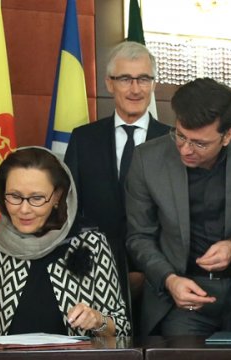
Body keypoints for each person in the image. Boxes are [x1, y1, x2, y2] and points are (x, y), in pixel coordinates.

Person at [125, 77, 231, 336]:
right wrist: (170, 280)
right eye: (180, 136)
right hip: (182, 296)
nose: (186, 150)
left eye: (200, 143)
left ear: (228, 135)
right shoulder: (148, 159)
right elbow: (139, 237)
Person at [0, 147, 129, 337]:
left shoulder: (91, 244)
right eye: (15, 196)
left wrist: (98, 321)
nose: (24, 209)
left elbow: (121, 328)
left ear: (57, 197)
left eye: (36, 198)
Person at [64, 41, 171, 331]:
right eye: (125, 79)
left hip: (160, 281)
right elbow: (72, 211)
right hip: (96, 278)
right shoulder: (84, 139)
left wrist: (147, 270)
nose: (135, 89)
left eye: (144, 79)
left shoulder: (174, 142)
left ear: (153, 84)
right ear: (109, 84)